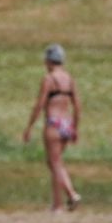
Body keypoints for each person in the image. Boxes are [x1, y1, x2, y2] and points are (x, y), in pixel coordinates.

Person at [22, 43, 82, 211]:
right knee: (57, 164)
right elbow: (77, 106)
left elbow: (40, 104)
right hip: (66, 123)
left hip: (54, 124)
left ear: (49, 61)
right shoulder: (69, 79)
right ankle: (57, 204)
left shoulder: (49, 80)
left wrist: (29, 127)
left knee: (54, 163)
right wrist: (75, 128)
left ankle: (71, 194)